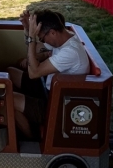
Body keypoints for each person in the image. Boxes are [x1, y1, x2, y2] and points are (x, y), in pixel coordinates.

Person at [7, 9, 90, 140]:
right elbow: (34, 49)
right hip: (47, 88)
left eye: (42, 36)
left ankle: (33, 139)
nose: (41, 40)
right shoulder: (63, 38)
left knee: (8, 99)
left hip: (57, 106)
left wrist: (32, 38)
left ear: (52, 32)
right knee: (11, 73)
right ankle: (26, 114)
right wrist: (28, 30)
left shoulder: (70, 52)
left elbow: (34, 73)